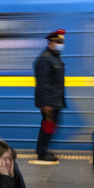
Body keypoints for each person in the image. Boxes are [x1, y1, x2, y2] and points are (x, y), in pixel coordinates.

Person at [34, 29, 67, 162]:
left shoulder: (55, 56)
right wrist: (46, 104)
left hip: (56, 100)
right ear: (50, 43)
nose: (61, 44)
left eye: (62, 42)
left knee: (50, 126)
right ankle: (42, 153)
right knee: (47, 126)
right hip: (50, 102)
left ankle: (44, 150)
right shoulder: (45, 59)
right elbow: (43, 84)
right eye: (58, 41)